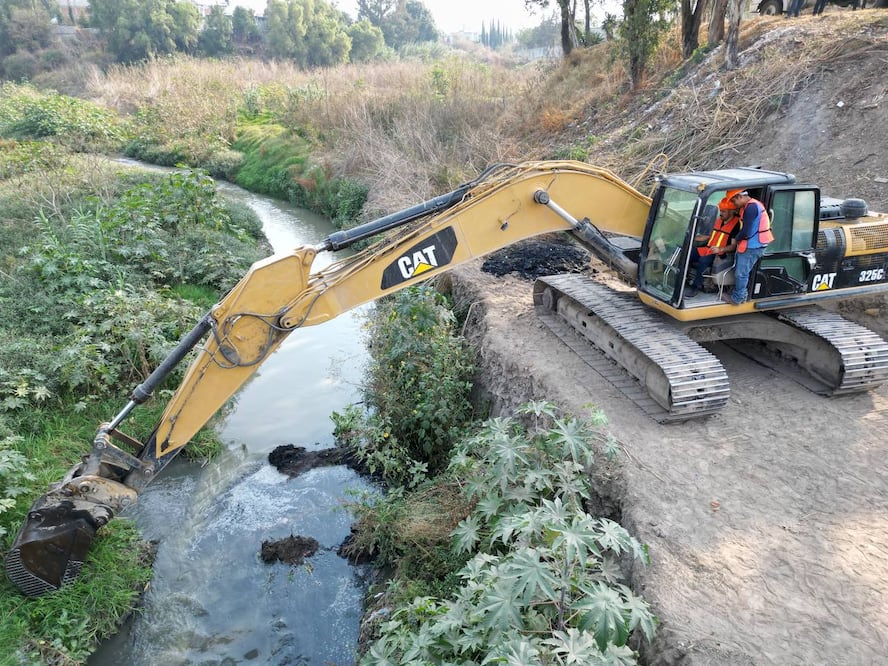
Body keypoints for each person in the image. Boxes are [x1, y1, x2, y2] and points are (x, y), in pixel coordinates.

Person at [724, 189, 774, 305]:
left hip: (753, 246)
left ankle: (737, 298)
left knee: (741, 273)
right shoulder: (750, 206)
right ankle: (741, 293)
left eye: (733, 201)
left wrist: (734, 240)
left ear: (739, 197)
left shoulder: (751, 208)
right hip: (753, 244)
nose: (733, 204)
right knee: (743, 271)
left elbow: (746, 230)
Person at [685, 197, 741, 298]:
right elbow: (712, 235)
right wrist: (697, 237)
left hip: (720, 254)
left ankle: (695, 287)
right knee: (687, 252)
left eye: (724, 211)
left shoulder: (736, 225)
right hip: (708, 249)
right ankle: (683, 279)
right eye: (721, 211)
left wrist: (720, 249)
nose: (721, 213)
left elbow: (733, 246)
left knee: (703, 261)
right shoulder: (719, 220)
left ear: (731, 212)